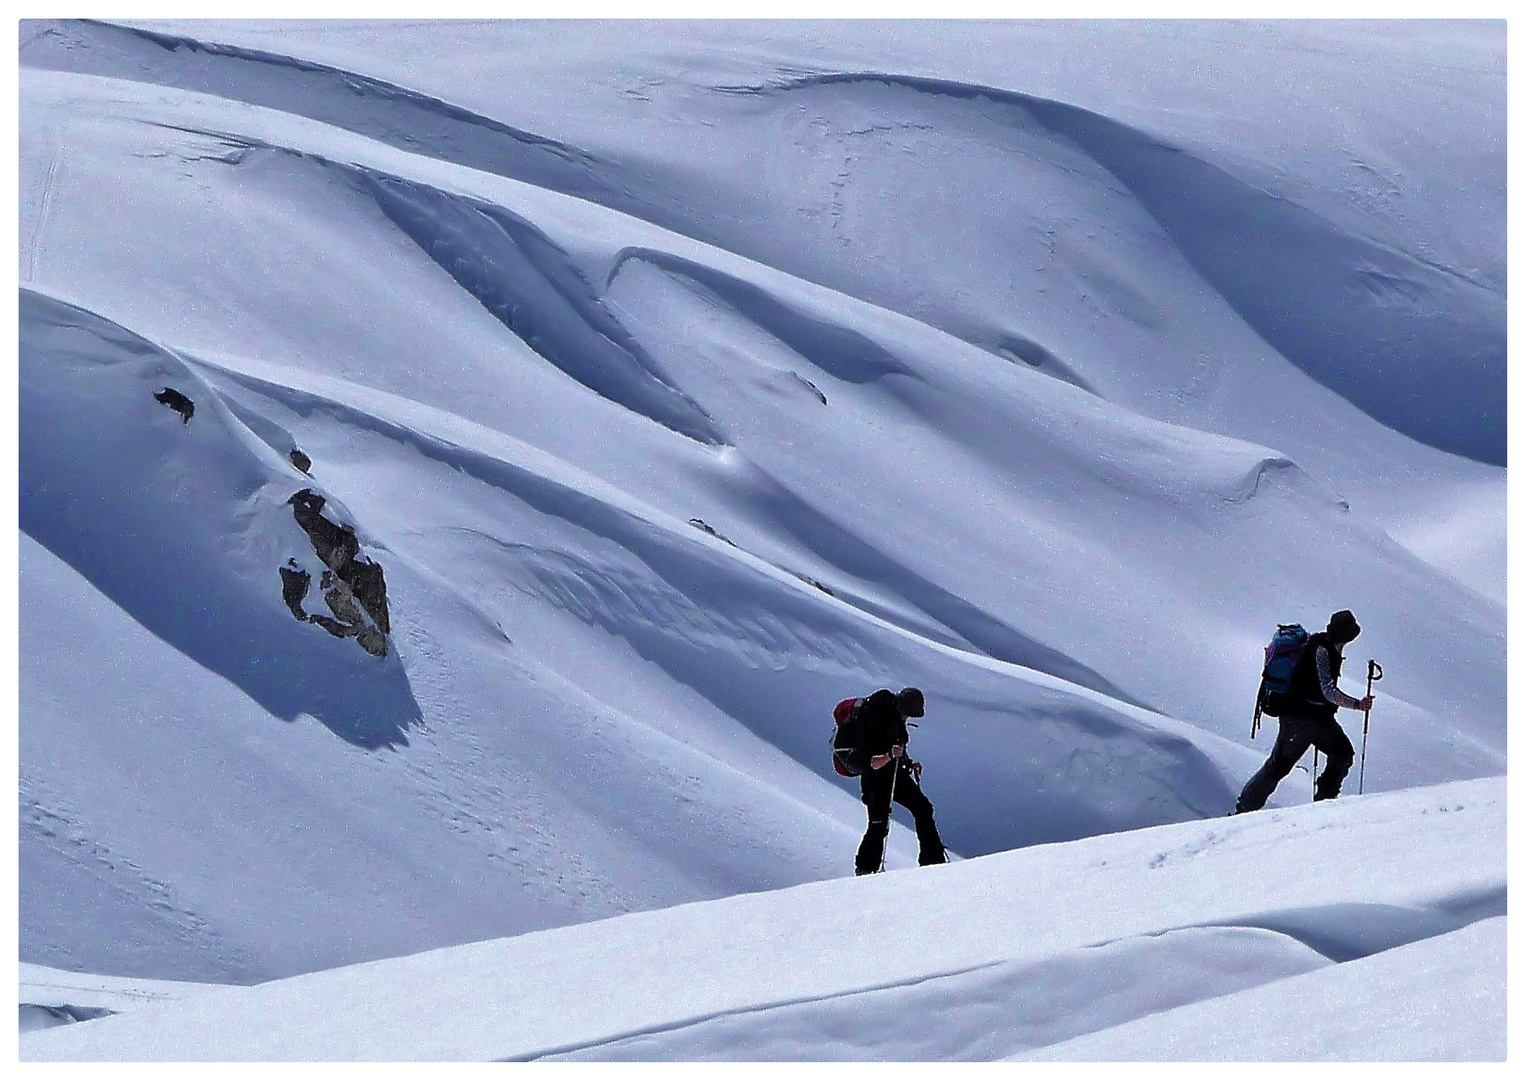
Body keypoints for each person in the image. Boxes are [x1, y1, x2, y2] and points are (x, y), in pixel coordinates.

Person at [1235, 610, 1374, 813]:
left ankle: (1325, 802)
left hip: (1317, 717)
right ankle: (1244, 810)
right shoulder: (1322, 651)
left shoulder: (1327, 646)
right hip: (1299, 719)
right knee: (1279, 767)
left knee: (1342, 754)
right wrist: (1357, 704)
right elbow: (1327, 690)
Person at [853, 686, 947, 874]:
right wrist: (890, 754)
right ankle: (865, 869)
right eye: (908, 714)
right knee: (878, 824)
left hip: (894, 775)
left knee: (923, 807)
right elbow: (871, 762)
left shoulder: (894, 720)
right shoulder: (877, 719)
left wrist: (908, 762)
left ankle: (933, 861)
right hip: (875, 781)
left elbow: (896, 750)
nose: (908, 718)